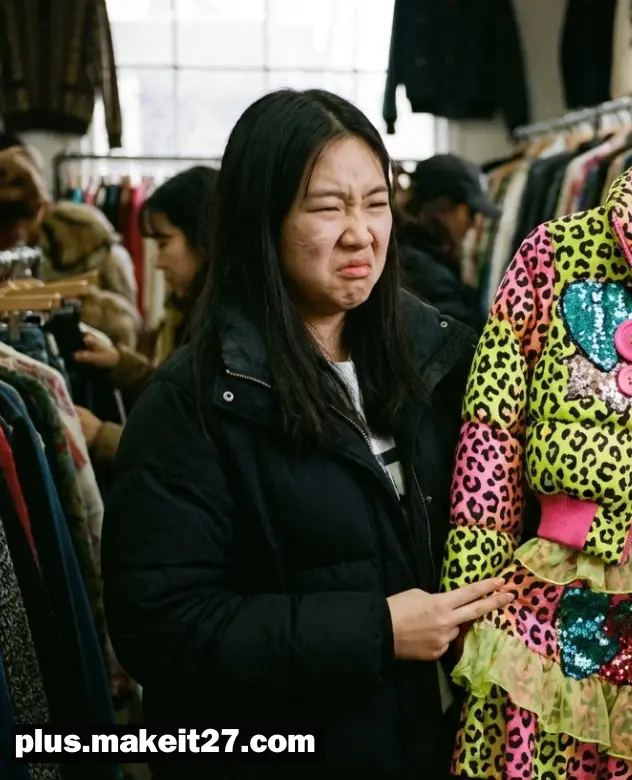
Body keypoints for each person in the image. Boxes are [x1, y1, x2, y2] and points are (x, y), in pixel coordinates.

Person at [99, 89, 511, 780]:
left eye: (375, 203)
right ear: (261, 219)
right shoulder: (197, 403)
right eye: (327, 208)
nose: (360, 233)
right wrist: (376, 631)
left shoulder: (444, 361)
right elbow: (162, 628)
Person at [70, 165, 217, 474]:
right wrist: (119, 363)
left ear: (203, 236)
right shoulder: (191, 312)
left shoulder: (223, 331)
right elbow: (177, 399)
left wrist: (103, 436)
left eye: (163, 243)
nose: (158, 262)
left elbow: (195, 454)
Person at [398, 153, 498, 331]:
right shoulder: (424, 272)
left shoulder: (414, 253)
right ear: (444, 208)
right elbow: (466, 337)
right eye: (471, 213)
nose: (474, 224)